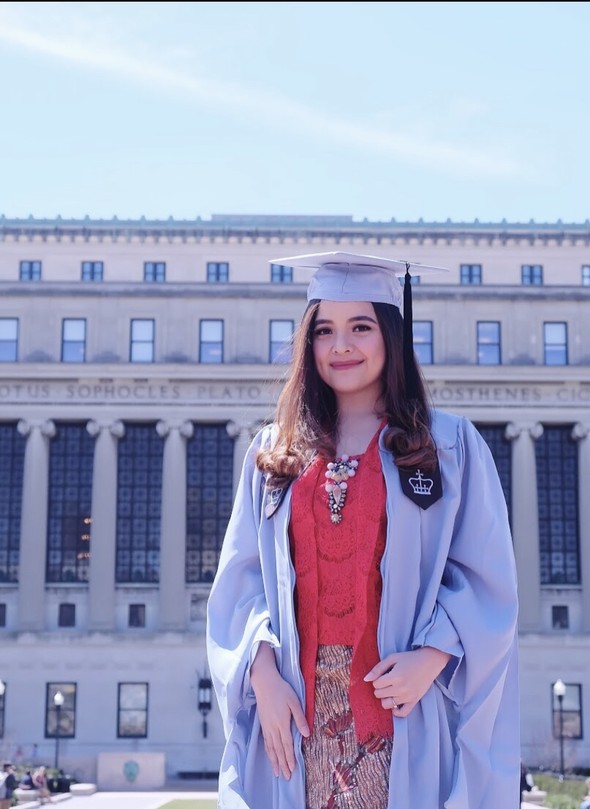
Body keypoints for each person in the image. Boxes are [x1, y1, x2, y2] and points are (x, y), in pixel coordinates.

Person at [207, 251, 520, 808]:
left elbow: (485, 576)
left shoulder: (445, 447)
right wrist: (261, 675)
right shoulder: (277, 452)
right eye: (324, 330)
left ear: (391, 336)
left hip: (402, 704)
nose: (341, 345)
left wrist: (434, 657)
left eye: (360, 327)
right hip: (295, 710)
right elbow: (241, 579)